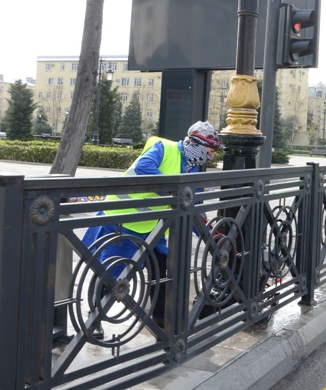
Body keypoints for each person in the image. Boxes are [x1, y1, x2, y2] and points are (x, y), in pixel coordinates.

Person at [81, 120, 221, 338]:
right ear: (197, 144)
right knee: (111, 275)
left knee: (162, 269)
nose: (210, 157)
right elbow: (143, 166)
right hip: (121, 221)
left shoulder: (189, 168)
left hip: (151, 229)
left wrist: (210, 235)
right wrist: (172, 191)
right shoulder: (163, 148)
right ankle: (93, 321)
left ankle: (161, 320)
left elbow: (194, 208)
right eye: (209, 151)